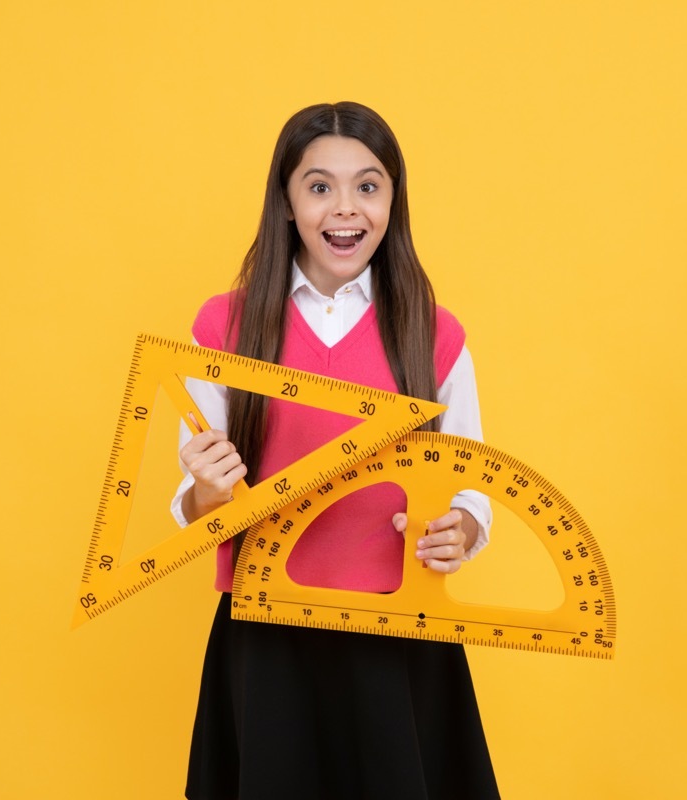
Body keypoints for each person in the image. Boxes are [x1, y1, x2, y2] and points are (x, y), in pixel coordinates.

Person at [170, 101, 500, 800]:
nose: (345, 208)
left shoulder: (435, 333)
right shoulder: (224, 325)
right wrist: (206, 490)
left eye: (368, 186)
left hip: (398, 631)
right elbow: (197, 510)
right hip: (267, 633)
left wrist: (462, 530)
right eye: (319, 186)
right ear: (286, 203)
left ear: (392, 201)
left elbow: (471, 486)